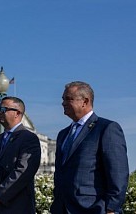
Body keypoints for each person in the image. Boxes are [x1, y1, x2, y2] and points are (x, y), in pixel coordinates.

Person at [50, 81, 129, 214]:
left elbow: (118, 172)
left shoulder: (106, 128)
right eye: (63, 99)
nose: (63, 103)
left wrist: (111, 208)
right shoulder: (63, 134)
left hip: (93, 208)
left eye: (68, 99)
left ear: (85, 101)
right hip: (62, 208)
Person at [0, 96, 41, 213]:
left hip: (17, 206)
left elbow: (23, 172)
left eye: (3, 109)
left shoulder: (28, 138)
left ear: (17, 113)